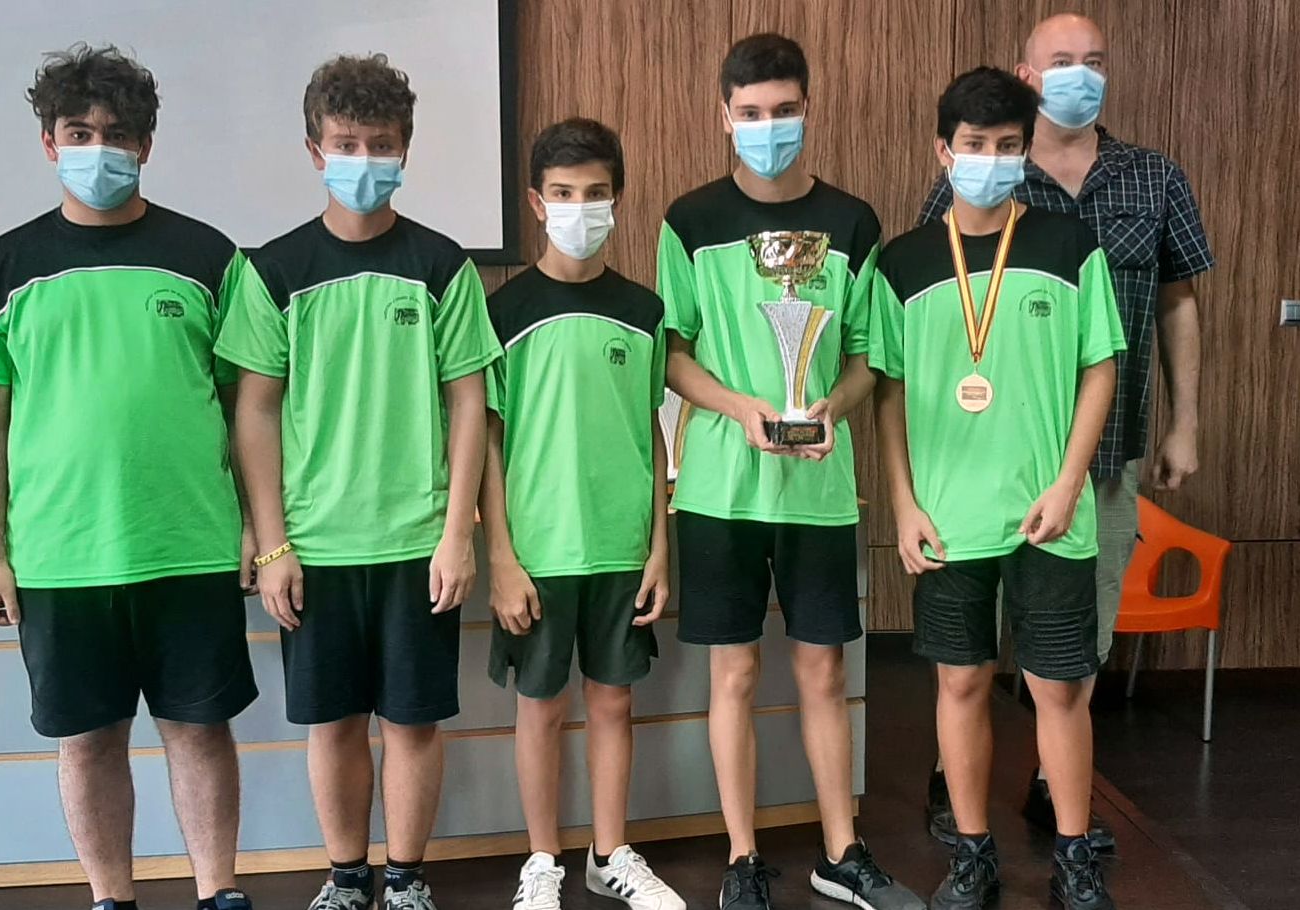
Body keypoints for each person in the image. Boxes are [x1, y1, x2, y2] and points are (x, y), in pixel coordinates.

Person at [0, 44, 258, 910]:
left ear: (146, 144)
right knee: (87, 742)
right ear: (49, 142)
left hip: (190, 544)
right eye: (79, 132)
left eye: (117, 134)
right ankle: (111, 898)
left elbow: (249, 409)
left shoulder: (209, 257)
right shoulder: (1, 268)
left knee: (200, 732)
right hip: (58, 556)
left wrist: (258, 529)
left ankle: (219, 893)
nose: (98, 149)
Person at [917, 13, 1214, 849]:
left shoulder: (1154, 176)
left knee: (1077, 640)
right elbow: (933, 301)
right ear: (1028, 74)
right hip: (977, 462)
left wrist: (1186, 422)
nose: (1080, 75)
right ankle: (953, 779)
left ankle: (1055, 788)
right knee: (968, 647)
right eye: (1061, 61)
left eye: (1094, 61)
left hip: (1103, 455)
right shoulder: (984, 168)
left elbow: (1179, 301)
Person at [216, 54, 499, 910]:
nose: (364, 160)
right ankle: (346, 879)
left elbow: (469, 402)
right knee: (333, 723)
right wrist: (272, 544)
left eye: (380, 144)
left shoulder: (442, 265)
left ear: (406, 148)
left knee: (413, 723)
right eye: (346, 144)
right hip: (315, 545)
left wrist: (458, 534)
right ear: (315, 151)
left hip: (419, 544)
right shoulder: (274, 271)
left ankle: (406, 879)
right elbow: (254, 410)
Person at [657, 32, 923, 910]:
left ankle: (841, 851)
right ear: (724, 116)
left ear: (808, 110)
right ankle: (742, 858)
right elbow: (674, 354)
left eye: (783, 111)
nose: (767, 127)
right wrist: (742, 410)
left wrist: (830, 409)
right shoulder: (689, 221)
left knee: (823, 674)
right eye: (751, 113)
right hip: (719, 492)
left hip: (818, 490)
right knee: (732, 675)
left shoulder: (853, 222)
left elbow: (867, 356)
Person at [872, 67, 1126, 910]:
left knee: (1058, 688)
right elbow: (889, 391)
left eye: (1007, 146)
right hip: (948, 518)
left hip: (1049, 514)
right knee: (960, 683)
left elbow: (1100, 366)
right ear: (942, 151)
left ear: (1026, 154)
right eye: (974, 144)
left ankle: (1075, 853)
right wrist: (903, 503)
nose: (989, 159)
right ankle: (972, 852)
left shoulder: (1068, 247)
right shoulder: (902, 264)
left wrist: (1070, 481)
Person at [481, 117, 686, 910]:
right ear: (537, 202)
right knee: (540, 708)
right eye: (563, 194)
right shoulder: (504, 311)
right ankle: (542, 860)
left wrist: (659, 547)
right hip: (538, 548)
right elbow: (487, 441)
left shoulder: (643, 310)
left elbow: (652, 432)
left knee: (613, 702)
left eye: (595, 193)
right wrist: (501, 557)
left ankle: (609, 853)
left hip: (621, 545)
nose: (579, 208)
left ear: (618, 199)